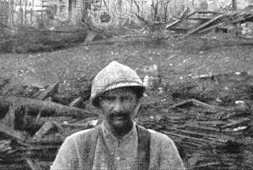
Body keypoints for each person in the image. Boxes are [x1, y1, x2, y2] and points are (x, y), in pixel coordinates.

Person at [51, 61, 185, 170]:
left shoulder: (161, 146)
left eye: (125, 99)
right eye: (110, 99)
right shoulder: (76, 146)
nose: (118, 108)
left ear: (137, 103)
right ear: (99, 104)